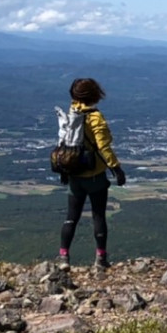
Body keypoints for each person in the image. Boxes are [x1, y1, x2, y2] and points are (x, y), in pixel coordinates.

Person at [57, 78, 126, 271]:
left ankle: (63, 257)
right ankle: (100, 259)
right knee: (98, 216)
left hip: (74, 175)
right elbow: (103, 146)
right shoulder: (95, 117)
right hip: (95, 175)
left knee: (71, 217)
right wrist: (116, 169)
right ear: (95, 95)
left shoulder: (72, 115)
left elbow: (63, 143)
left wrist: (64, 170)